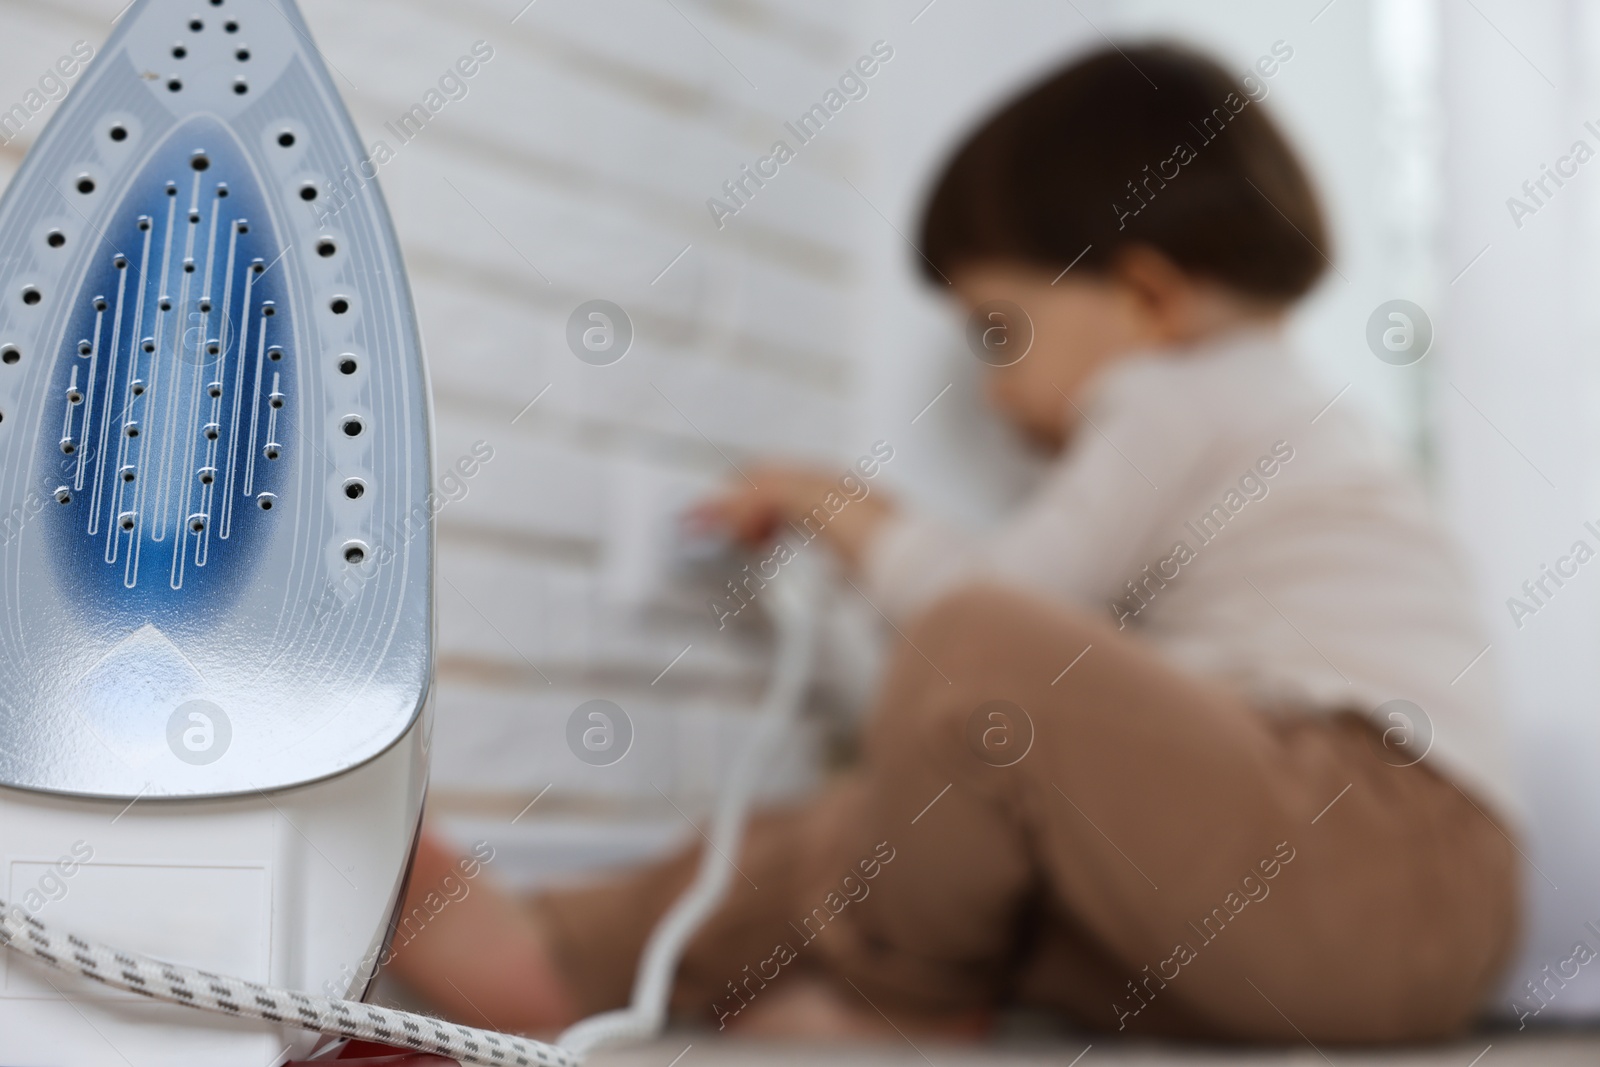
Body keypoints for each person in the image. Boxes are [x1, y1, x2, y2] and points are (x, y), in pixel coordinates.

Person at [388, 43, 1520, 1043]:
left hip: (1370, 852)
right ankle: (560, 950)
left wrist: (840, 510)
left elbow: (985, 620)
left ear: (1145, 296)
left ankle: (901, 1010)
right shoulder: (1258, 421)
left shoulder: (1178, 397)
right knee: (883, 820)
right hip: (1372, 925)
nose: (987, 389)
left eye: (996, 329)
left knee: (978, 648)